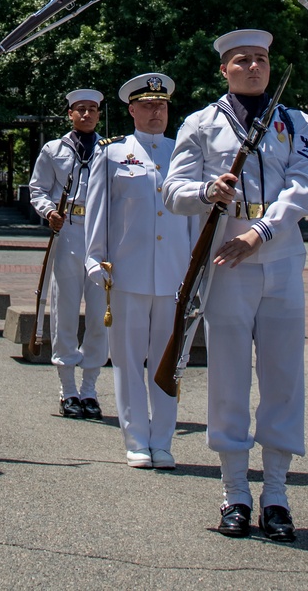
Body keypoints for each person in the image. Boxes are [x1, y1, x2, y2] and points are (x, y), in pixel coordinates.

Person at [164, 30, 308, 542]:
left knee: (283, 377)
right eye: (242, 60)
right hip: (227, 259)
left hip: (278, 254)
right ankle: (234, 492)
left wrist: (262, 230)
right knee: (230, 377)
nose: (254, 67)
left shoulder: (296, 122)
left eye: (261, 59)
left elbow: (305, 187)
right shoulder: (201, 123)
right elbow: (172, 189)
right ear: (224, 70)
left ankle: (276, 493)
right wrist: (207, 190)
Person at [85, 72, 195, 470]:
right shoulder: (112, 153)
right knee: (129, 361)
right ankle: (135, 439)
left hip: (174, 275)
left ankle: (163, 440)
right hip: (128, 273)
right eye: (147, 105)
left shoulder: (183, 152)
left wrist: (196, 268)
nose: (156, 112)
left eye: (161, 105)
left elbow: (193, 219)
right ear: (132, 110)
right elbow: (98, 210)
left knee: (167, 364)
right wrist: (95, 257)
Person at [29, 88, 109, 419]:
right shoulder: (53, 149)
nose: (87, 114)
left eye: (93, 109)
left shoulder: (112, 150)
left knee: (99, 315)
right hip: (69, 230)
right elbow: (37, 188)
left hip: (101, 235)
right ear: (70, 114)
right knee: (63, 309)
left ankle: (90, 388)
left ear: (99, 114)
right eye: (81, 109)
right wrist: (49, 212)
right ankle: (68, 389)